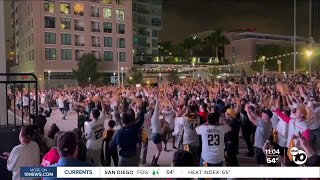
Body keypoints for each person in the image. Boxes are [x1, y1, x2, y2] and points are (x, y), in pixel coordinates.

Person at [110, 99, 146, 166]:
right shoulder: (134, 129)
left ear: (122, 121)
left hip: (122, 158)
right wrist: (141, 108)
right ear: (130, 121)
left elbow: (112, 145)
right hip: (133, 157)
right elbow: (141, 119)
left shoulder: (118, 132)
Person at [150, 97, 163, 166]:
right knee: (159, 150)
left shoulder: (153, 118)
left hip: (155, 135)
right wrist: (158, 100)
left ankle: (153, 162)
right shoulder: (155, 116)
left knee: (159, 150)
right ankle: (154, 164)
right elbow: (156, 109)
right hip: (156, 135)